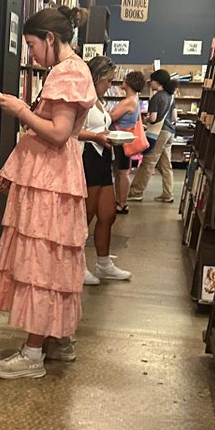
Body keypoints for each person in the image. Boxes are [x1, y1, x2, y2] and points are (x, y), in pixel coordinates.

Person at [0, 5, 96, 379]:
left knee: (41, 262)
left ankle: (32, 354)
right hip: (54, 175)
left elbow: (57, 132)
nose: (31, 54)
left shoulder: (67, 72)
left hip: (52, 179)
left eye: (33, 45)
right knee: (51, 259)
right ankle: (55, 339)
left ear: (50, 39)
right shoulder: (72, 69)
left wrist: (19, 109)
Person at [79, 56, 132, 286]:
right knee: (84, 218)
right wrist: (97, 136)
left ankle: (103, 263)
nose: (110, 85)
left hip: (103, 157)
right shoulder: (81, 98)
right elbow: (70, 130)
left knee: (108, 214)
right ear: (96, 77)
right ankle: (76, 266)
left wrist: (107, 136)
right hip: (88, 157)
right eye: (108, 81)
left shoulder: (98, 100)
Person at [128, 68, 178, 204]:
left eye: (152, 81)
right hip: (170, 132)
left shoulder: (157, 97)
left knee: (148, 162)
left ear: (158, 82)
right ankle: (168, 193)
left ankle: (136, 192)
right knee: (166, 165)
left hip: (158, 133)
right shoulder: (171, 95)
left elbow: (154, 118)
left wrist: (146, 120)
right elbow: (174, 117)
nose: (150, 83)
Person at [109, 70, 145, 215]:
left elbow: (112, 116)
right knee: (120, 172)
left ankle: (122, 203)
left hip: (122, 140)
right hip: (122, 139)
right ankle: (120, 201)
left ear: (129, 83)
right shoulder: (133, 99)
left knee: (122, 172)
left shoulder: (129, 101)